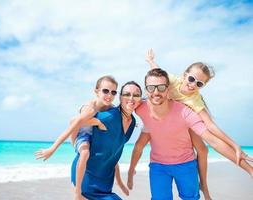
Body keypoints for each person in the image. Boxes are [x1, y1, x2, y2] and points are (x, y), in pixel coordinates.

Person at [127, 68, 253, 200]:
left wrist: (248, 168)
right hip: (158, 166)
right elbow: (122, 109)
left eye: (162, 87)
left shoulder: (187, 111)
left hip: (185, 164)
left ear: (168, 89)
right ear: (146, 90)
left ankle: (204, 185)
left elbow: (214, 140)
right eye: (151, 88)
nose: (156, 92)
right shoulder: (141, 108)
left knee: (202, 152)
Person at [35, 76, 129, 200]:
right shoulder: (90, 109)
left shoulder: (111, 109)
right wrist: (52, 149)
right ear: (96, 91)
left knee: (112, 157)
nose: (109, 95)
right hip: (83, 135)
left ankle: (120, 183)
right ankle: (77, 192)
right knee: (85, 153)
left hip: (96, 136)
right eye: (105, 91)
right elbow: (72, 126)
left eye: (113, 92)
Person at [72, 81, 142, 199]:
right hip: (87, 178)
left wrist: (120, 181)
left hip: (105, 183)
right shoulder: (109, 117)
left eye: (136, 95)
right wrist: (73, 143)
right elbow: (75, 122)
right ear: (120, 97)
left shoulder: (133, 122)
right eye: (127, 94)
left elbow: (113, 155)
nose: (131, 98)